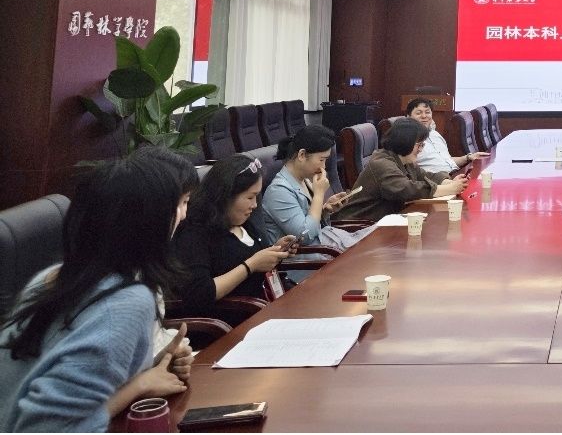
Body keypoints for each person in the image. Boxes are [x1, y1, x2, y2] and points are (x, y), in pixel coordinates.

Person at [0, 148, 192, 431]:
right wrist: (139, 386)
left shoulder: (50, 277)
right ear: (150, 222)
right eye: (179, 204)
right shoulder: (128, 300)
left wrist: (153, 364)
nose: (183, 215)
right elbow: (47, 428)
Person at [172, 154, 298, 317]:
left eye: (257, 197)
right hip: (236, 319)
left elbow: (253, 258)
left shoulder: (242, 221)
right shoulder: (195, 233)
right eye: (250, 197)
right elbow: (201, 293)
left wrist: (275, 251)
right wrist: (251, 265)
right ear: (226, 196)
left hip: (269, 308)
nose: (254, 205)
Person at [255, 124, 370, 251]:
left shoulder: (305, 180)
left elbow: (311, 222)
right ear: (302, 155)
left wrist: (325, 210)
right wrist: (319, 194)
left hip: (325, 246)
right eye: (321, 160)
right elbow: (305, 236)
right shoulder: (278, 191)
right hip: (308, 257)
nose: (324, 167)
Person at [334, 118, 468, 223]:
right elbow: (407, 189)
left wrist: (448, 182)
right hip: (357, 226)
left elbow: (425, 175)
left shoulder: (403, 159)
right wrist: (449, 189)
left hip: (381, 222)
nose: (421, 149)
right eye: (419, 145)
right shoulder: (381, 163)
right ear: (405, 141)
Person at [406, 98, 487, 174]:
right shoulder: (408, 140)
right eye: (418, 113)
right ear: (408, 117)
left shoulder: (435, 134)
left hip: (455, 174)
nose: (424, 116)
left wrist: (468, 157)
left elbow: (447, 161)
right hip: (436, 181)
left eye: (427, 112)